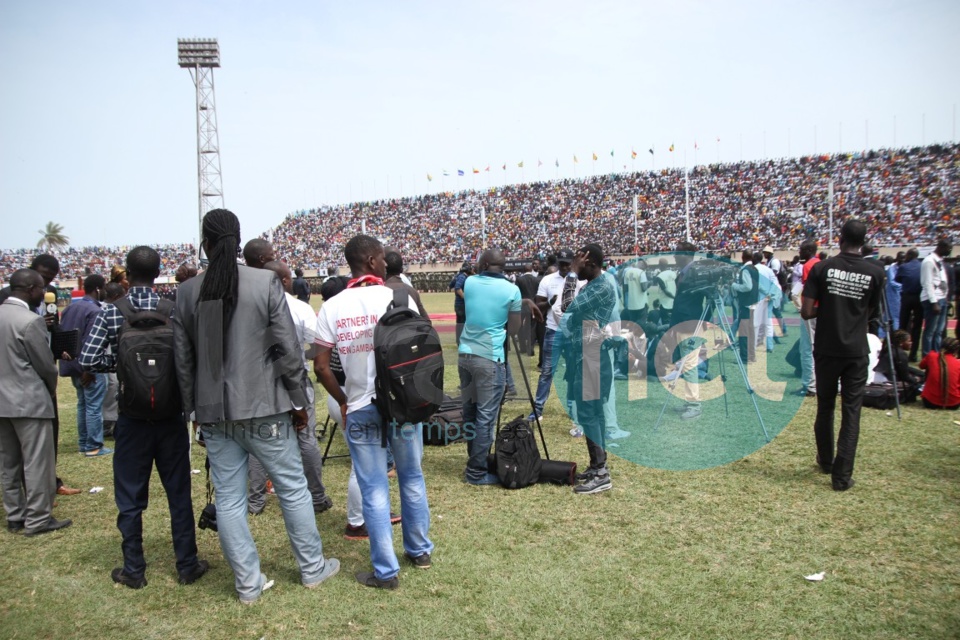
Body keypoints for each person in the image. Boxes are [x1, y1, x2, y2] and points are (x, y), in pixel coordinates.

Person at [174, 210, 338, 603]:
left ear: (206, 243)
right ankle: (312, 568)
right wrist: (299, 400)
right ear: (238, 238)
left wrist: (192, 413)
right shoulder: (264, 282)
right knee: (292, 487)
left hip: (214, 412)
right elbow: (286, 348)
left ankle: (248, 584)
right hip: (264, 406)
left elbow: (183, 362)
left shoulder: (186, 292)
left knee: (230, 498)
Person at [80, 246, 208, 589]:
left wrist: (122, 369)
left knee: (130, 497)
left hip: (132, 419)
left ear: (126, 272)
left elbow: (88, 359)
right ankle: (187, 564)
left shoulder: (111, 311)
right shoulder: (174, 309)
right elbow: (190, 359)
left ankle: (134, 570)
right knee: (178, 493)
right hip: (171, 416)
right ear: (159, 272)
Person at [314, 234, 433, 590]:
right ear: (370, 261)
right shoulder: (400, 296)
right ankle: (420, 551)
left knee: (374, 488)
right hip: (403, 404)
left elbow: (321, 366)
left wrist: (345, 399)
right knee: (411, 476)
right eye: (382, 258)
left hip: (362, 407)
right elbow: (425, 343)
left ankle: (386, 572)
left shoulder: (333, 305)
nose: (387, 264)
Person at [801, 219, 885, 491]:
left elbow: (806, 311)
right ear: (864, 242)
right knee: (851, 412)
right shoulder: (875, 271)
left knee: (825, 406)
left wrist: (829, 311)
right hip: (855, 349)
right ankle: (841, 476)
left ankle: (826, 461)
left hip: (827, 347)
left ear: (840, 239)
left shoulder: (822, 268)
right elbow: (871, 312)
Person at [246, 260, 332, 517]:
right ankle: (316, 496)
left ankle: (255, 501)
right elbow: (316, 347)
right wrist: (296, 356)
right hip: (295, 380)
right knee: (306, 438)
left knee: (259, 440)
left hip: (260, 382)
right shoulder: (299, 308)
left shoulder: (249, 308)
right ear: (284, 280)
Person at [0, 254, 80, 496]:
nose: (47, 285)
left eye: (51, 280)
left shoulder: (49, 295)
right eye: (44, 278)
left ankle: (51, 482)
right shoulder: (8, 299)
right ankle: (35, 497)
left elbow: (53, 326)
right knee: (22, 449)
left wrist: (58, 343)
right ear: (32, 277)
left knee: (49, 434)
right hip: (22, 377)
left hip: (43, 367)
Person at [458, 248, 525, 485]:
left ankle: (475, 459)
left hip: (466, 354)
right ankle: (476, 472)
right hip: (490, 357)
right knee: (486, 416)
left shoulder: (471, 282)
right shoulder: (512, 290)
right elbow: (514, 329)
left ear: (484, 263)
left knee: (470, 411)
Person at [558, 245, 618, 494]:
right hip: (585, 354)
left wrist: (571, 274)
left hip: (591, 355)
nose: (574, 267)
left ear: (590, 263)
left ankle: (602, 474)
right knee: (588, 412)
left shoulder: (602, 286)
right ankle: (596, 466)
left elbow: (567, 306)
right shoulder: (592, 286)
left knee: (590, 412)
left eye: (578, 263)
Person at [58, 274, 111, 457]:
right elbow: (91, 342)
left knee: (82, 404)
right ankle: (94, 445)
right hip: (89, 366)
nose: (105, 291)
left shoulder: (70, 308)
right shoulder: (95, 311)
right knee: (94, 406)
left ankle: (83, 443)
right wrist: (90, 368)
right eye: (104, 287)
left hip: (71, 363)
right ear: (97, 289)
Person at [530, 248, 575, 419]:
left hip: (572, 333)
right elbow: (537, 305)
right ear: (557, 263)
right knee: (547, 371)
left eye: (567, 264)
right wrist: (550, 302)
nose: (564, 267)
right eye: (561, 264)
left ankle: (572, 408)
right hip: (553, 331)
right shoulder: (548, 280)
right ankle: (538, 409)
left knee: (573, 372)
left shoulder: (580, 281)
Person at [99, 281, 126, 440]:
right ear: (116, 296)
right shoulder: (109, 311)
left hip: (110, 357)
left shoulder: (106, 309)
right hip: (110, 357)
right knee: (112, 389)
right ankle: (109, 425)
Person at [920, 240, 952, 357]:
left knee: (939, 331)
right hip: (933, 300)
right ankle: (927, 356)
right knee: (930, 331)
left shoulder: (939, 262)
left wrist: (945, 298)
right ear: (941, 247)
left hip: (941, 299)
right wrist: (934, 302)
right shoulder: (929, 261)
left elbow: (941, 281)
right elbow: (927, 283)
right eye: (948, 248)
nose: (950, 251)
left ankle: (937, 355)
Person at [873, 330, 923, 402]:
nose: (911, 343)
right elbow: (905, 377)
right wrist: (916, 379)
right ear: (901, 343)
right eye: (909, 341)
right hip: (888, 384)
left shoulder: (888, 350)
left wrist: (919, 373)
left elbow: (903, 368)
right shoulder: (901, 354)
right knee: (919, 384)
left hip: (878, 381)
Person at [896, 248, 923, 361]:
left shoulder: (903, 267)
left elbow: (898, 279)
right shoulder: (922, 266)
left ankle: (899, 351)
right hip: (919, 297)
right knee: (917, 327)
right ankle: (913, 354)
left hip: (907, 297)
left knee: (903, 325)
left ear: (910, 255)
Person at [919, 338, 960, 410]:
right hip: (954, 403)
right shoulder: (958, 363)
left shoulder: (931, 356)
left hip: (929, 402)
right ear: (956, 350)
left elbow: (921, 366)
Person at [451, 261, 473, 346]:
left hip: (458, 303)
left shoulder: (457, 276)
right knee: (463, 322)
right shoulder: (463, 277)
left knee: (460, 323)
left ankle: (459, 341)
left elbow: (451, 285)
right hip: (462, 304)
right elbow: (457, 288)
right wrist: (465, 297)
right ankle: (462, 341)